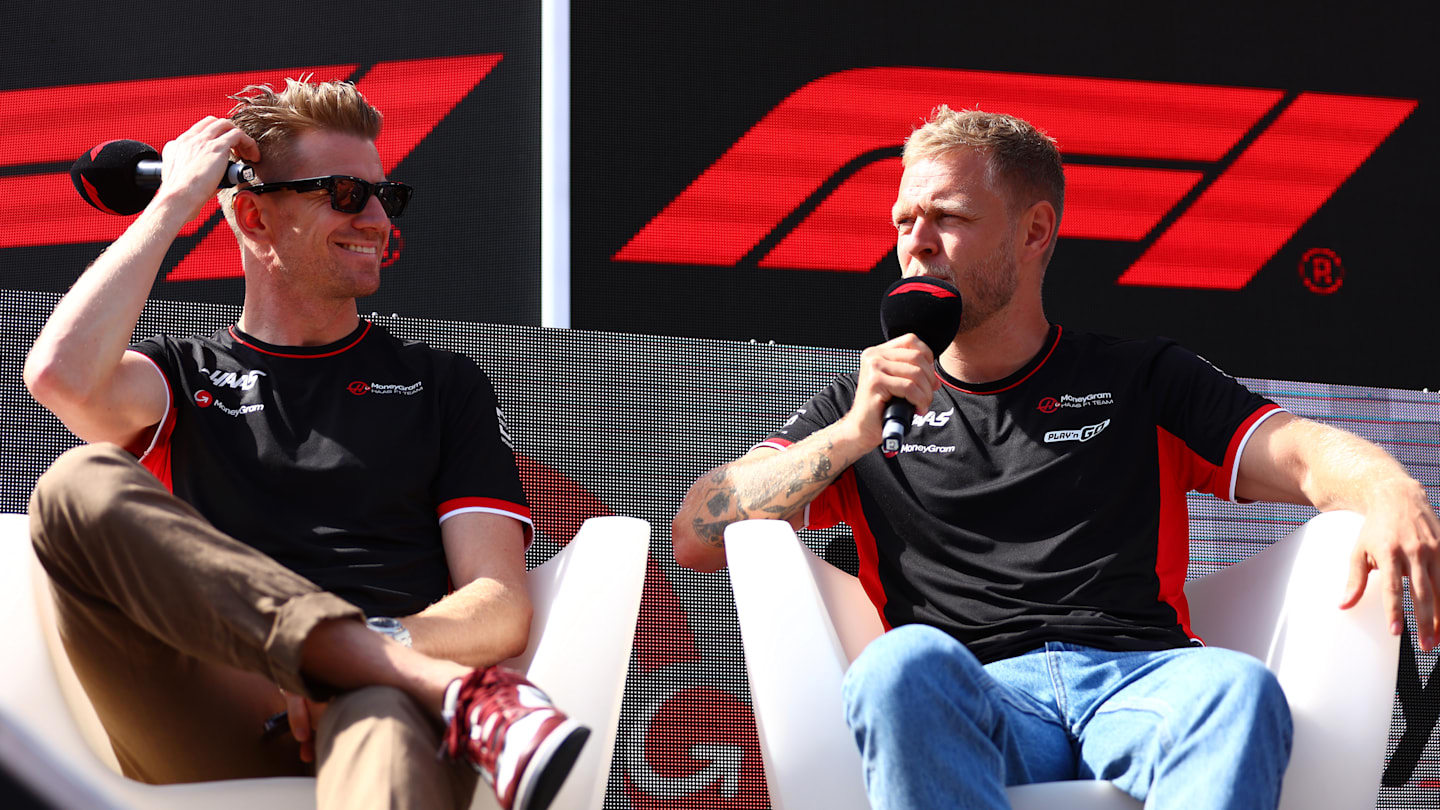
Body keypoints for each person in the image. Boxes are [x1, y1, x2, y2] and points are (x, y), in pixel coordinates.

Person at [672, 105, 1440, 809]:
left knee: (1236, 688)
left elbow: (1301, 454)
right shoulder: (859, 405)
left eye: (949, 216)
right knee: (894, 669)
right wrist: (845, 441)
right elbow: (695, 536)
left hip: (1141, 678)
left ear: (1035, 231)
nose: (916, 241)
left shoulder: (1139, 376)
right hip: (978, 692)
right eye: (905, 219)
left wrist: (1388, 489)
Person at [24, 78, 586, 810]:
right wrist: (170, 206)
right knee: (75, 486)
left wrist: (361, 655)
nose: (380, 220)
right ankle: (429, 687)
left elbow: (499, 607)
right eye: (348, 194)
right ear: (254, 218)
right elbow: (60, 378)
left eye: (389, 196)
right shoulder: (181, 375)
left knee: (378, 710)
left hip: (377, 705)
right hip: (212, 711)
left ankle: (366, 668)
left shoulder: (442, 384)